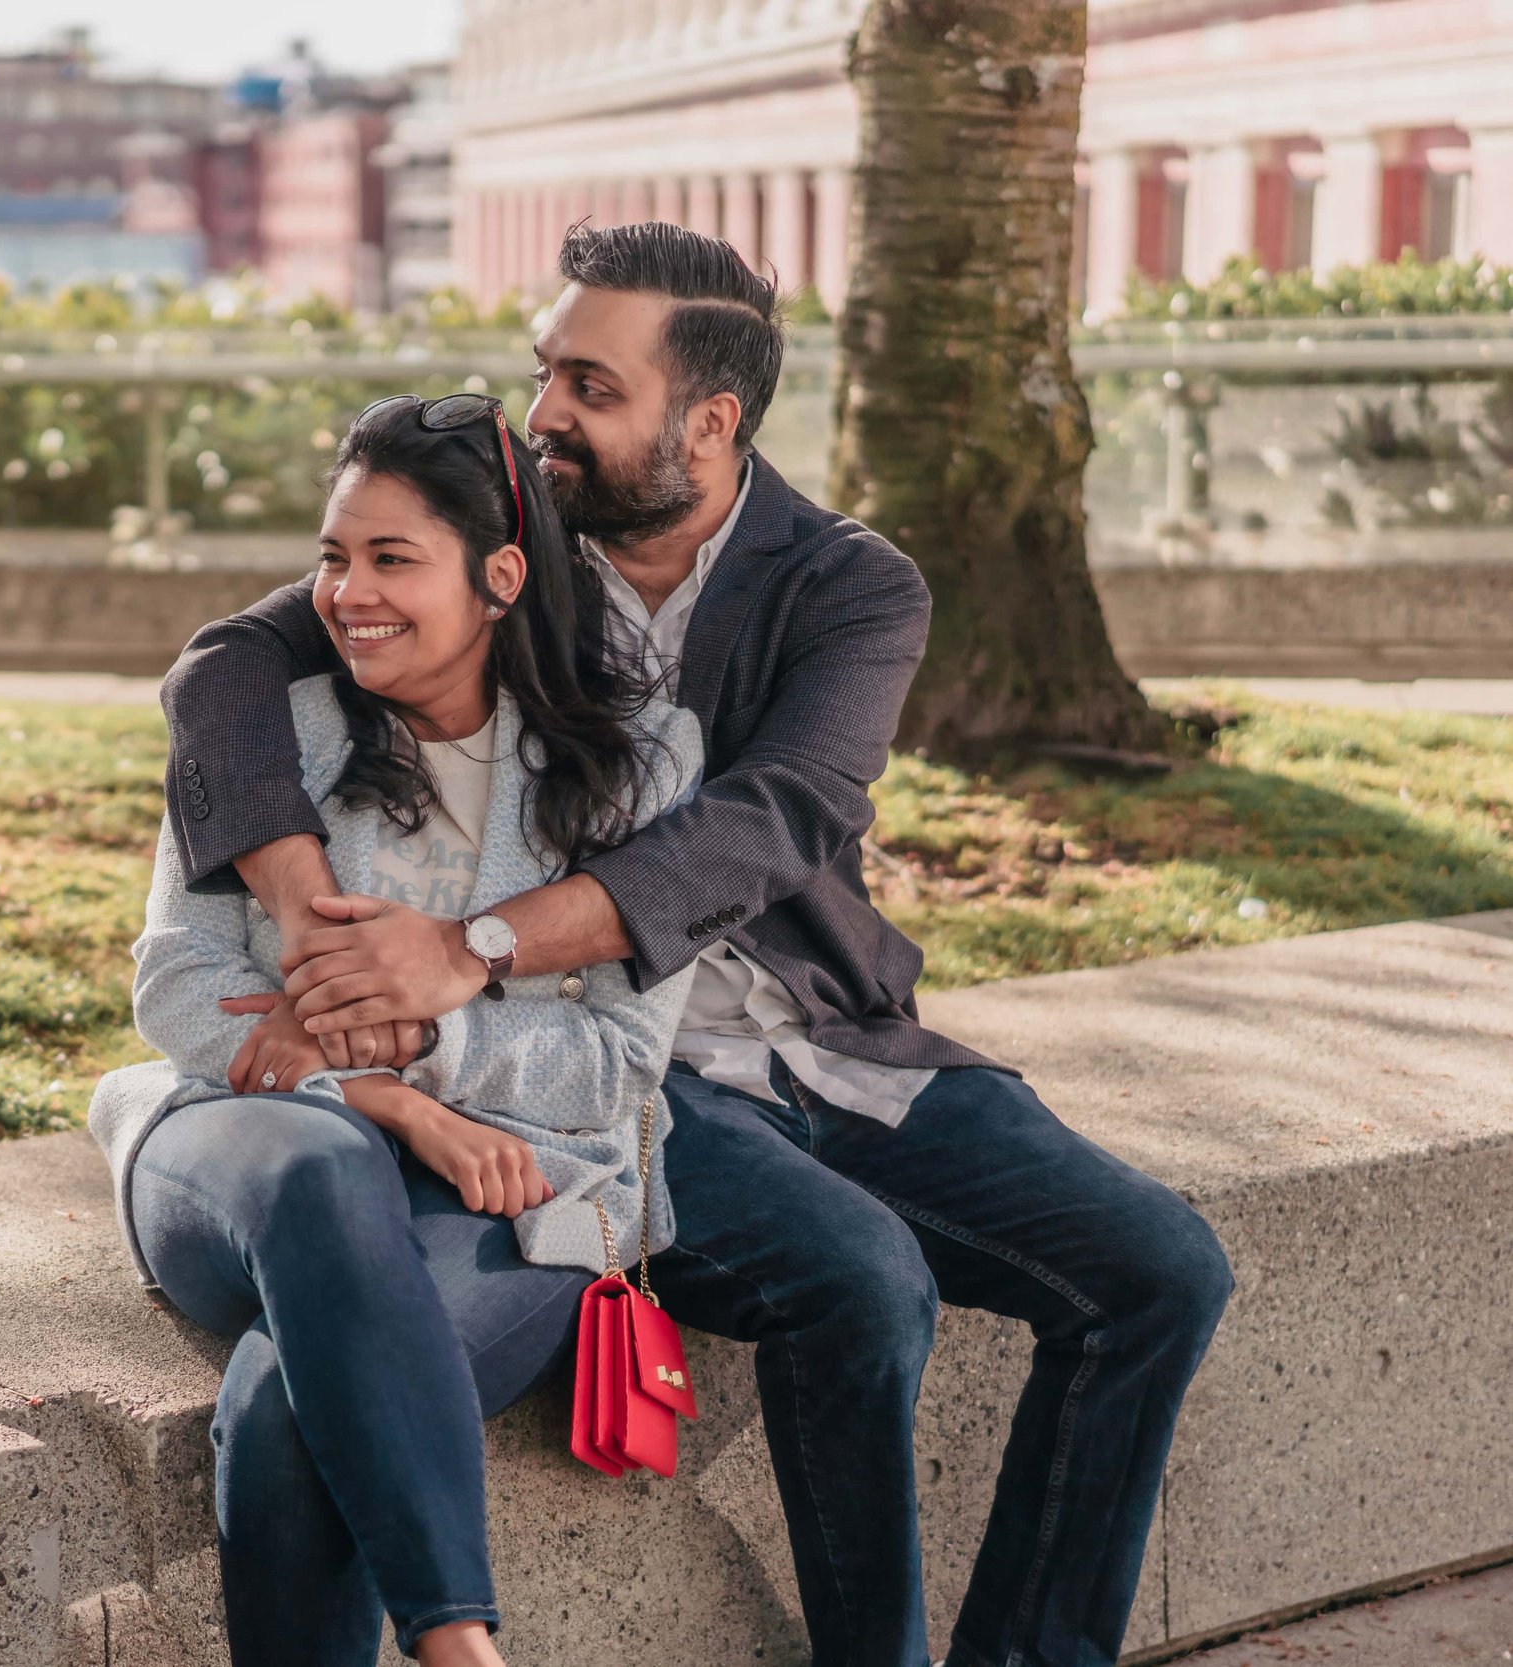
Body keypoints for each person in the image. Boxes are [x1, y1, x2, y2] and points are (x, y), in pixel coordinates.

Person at [153, 223, 1235, 1667]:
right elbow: (226, 666)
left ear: (708, 421)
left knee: (1162, 1267)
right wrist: (301, 917)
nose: (541, 415)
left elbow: (775, 818)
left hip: (825, 1036)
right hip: (646, 1070)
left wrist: (469, 948)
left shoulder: (850, 585)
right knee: (858, 1274)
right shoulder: (514, 533)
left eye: (588, 386)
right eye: (546, 373)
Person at [88, 392, 704, 1667]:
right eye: (331, 555)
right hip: (247, 1148)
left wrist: (434, 1044)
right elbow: (178, 983)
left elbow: (617, 1065)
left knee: (277, 1404)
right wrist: (388, 1100)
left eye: (388, 559)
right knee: (318, 1166)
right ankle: (459, 1644)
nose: (344, 593)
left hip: (517, 1192)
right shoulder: (272, 738)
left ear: (499, 576)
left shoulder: (640, 768)